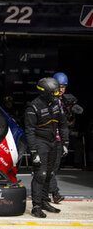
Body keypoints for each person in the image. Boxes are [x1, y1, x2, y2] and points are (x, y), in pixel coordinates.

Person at [24, 77, 69, 218]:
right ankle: (36, 206)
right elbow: (29, 130)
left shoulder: (57, 104)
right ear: (46, 92)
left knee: (49, 174)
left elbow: (62, 124)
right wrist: (33, 151)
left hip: (53, 142)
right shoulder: (34, 107)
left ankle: (44, 201)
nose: (57, 94)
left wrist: (65, 143)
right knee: (40, 174)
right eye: (54, 92)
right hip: (40, 142)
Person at [46, 72, 83, 203]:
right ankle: (55, 193)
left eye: (64, 87)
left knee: (53, 169)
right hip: (48, 138)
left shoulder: (66, 101)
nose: (61, 89)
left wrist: (71, 114)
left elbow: (69, 124)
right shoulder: (47, 99)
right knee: (48, 169)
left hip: (60, 138)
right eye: (59, 86)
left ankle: (47, 193)